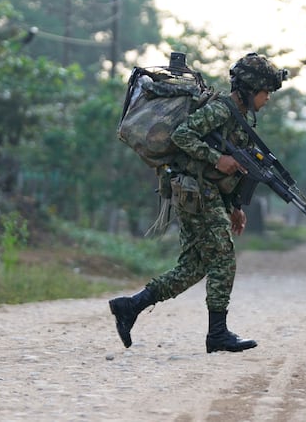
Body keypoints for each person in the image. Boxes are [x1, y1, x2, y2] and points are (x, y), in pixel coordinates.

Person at [109, 53, 287, 353]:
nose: (267, 98)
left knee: (194, 266)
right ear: (249, 89)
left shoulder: (239, 117)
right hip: (196, 192)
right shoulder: (221, 110)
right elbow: (182, 135)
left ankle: (130, 307)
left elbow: (235, 167)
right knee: (223, 257)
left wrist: (235, 206)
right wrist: (217, 159)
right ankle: (217, 334)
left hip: (202, 192)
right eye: (265, 92)